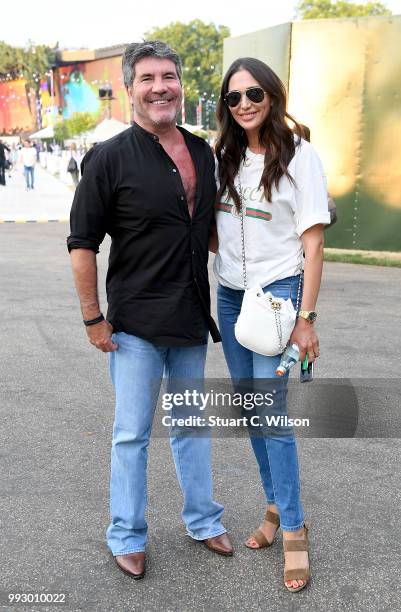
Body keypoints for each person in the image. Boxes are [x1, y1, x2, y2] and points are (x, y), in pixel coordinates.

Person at [67, 40, 233, 581]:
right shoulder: (108, 157)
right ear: (131, 89)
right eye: (147, 79)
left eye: (168, 76)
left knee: (190, 426)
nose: (160, 87)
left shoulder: (202, 150)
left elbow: (208, 231)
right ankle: (126, 535)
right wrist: (94, 318)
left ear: (180, 84)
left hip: (189, 318)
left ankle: (203, 521)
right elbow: (82, 244)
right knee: (132, 434)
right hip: (134, 323)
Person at [212, 57, 330, 593]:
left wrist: (306, 318)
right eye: (233, 98)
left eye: (253, 93)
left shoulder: (300, 156)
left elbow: (312, 242)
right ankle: (274, 506)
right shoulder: (224, 157)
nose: (244, 105)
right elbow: (214, 229)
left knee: (272, 414)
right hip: (231, 297)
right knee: (251, 412)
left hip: (279, 298)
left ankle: (296, 530)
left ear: (272, 95)